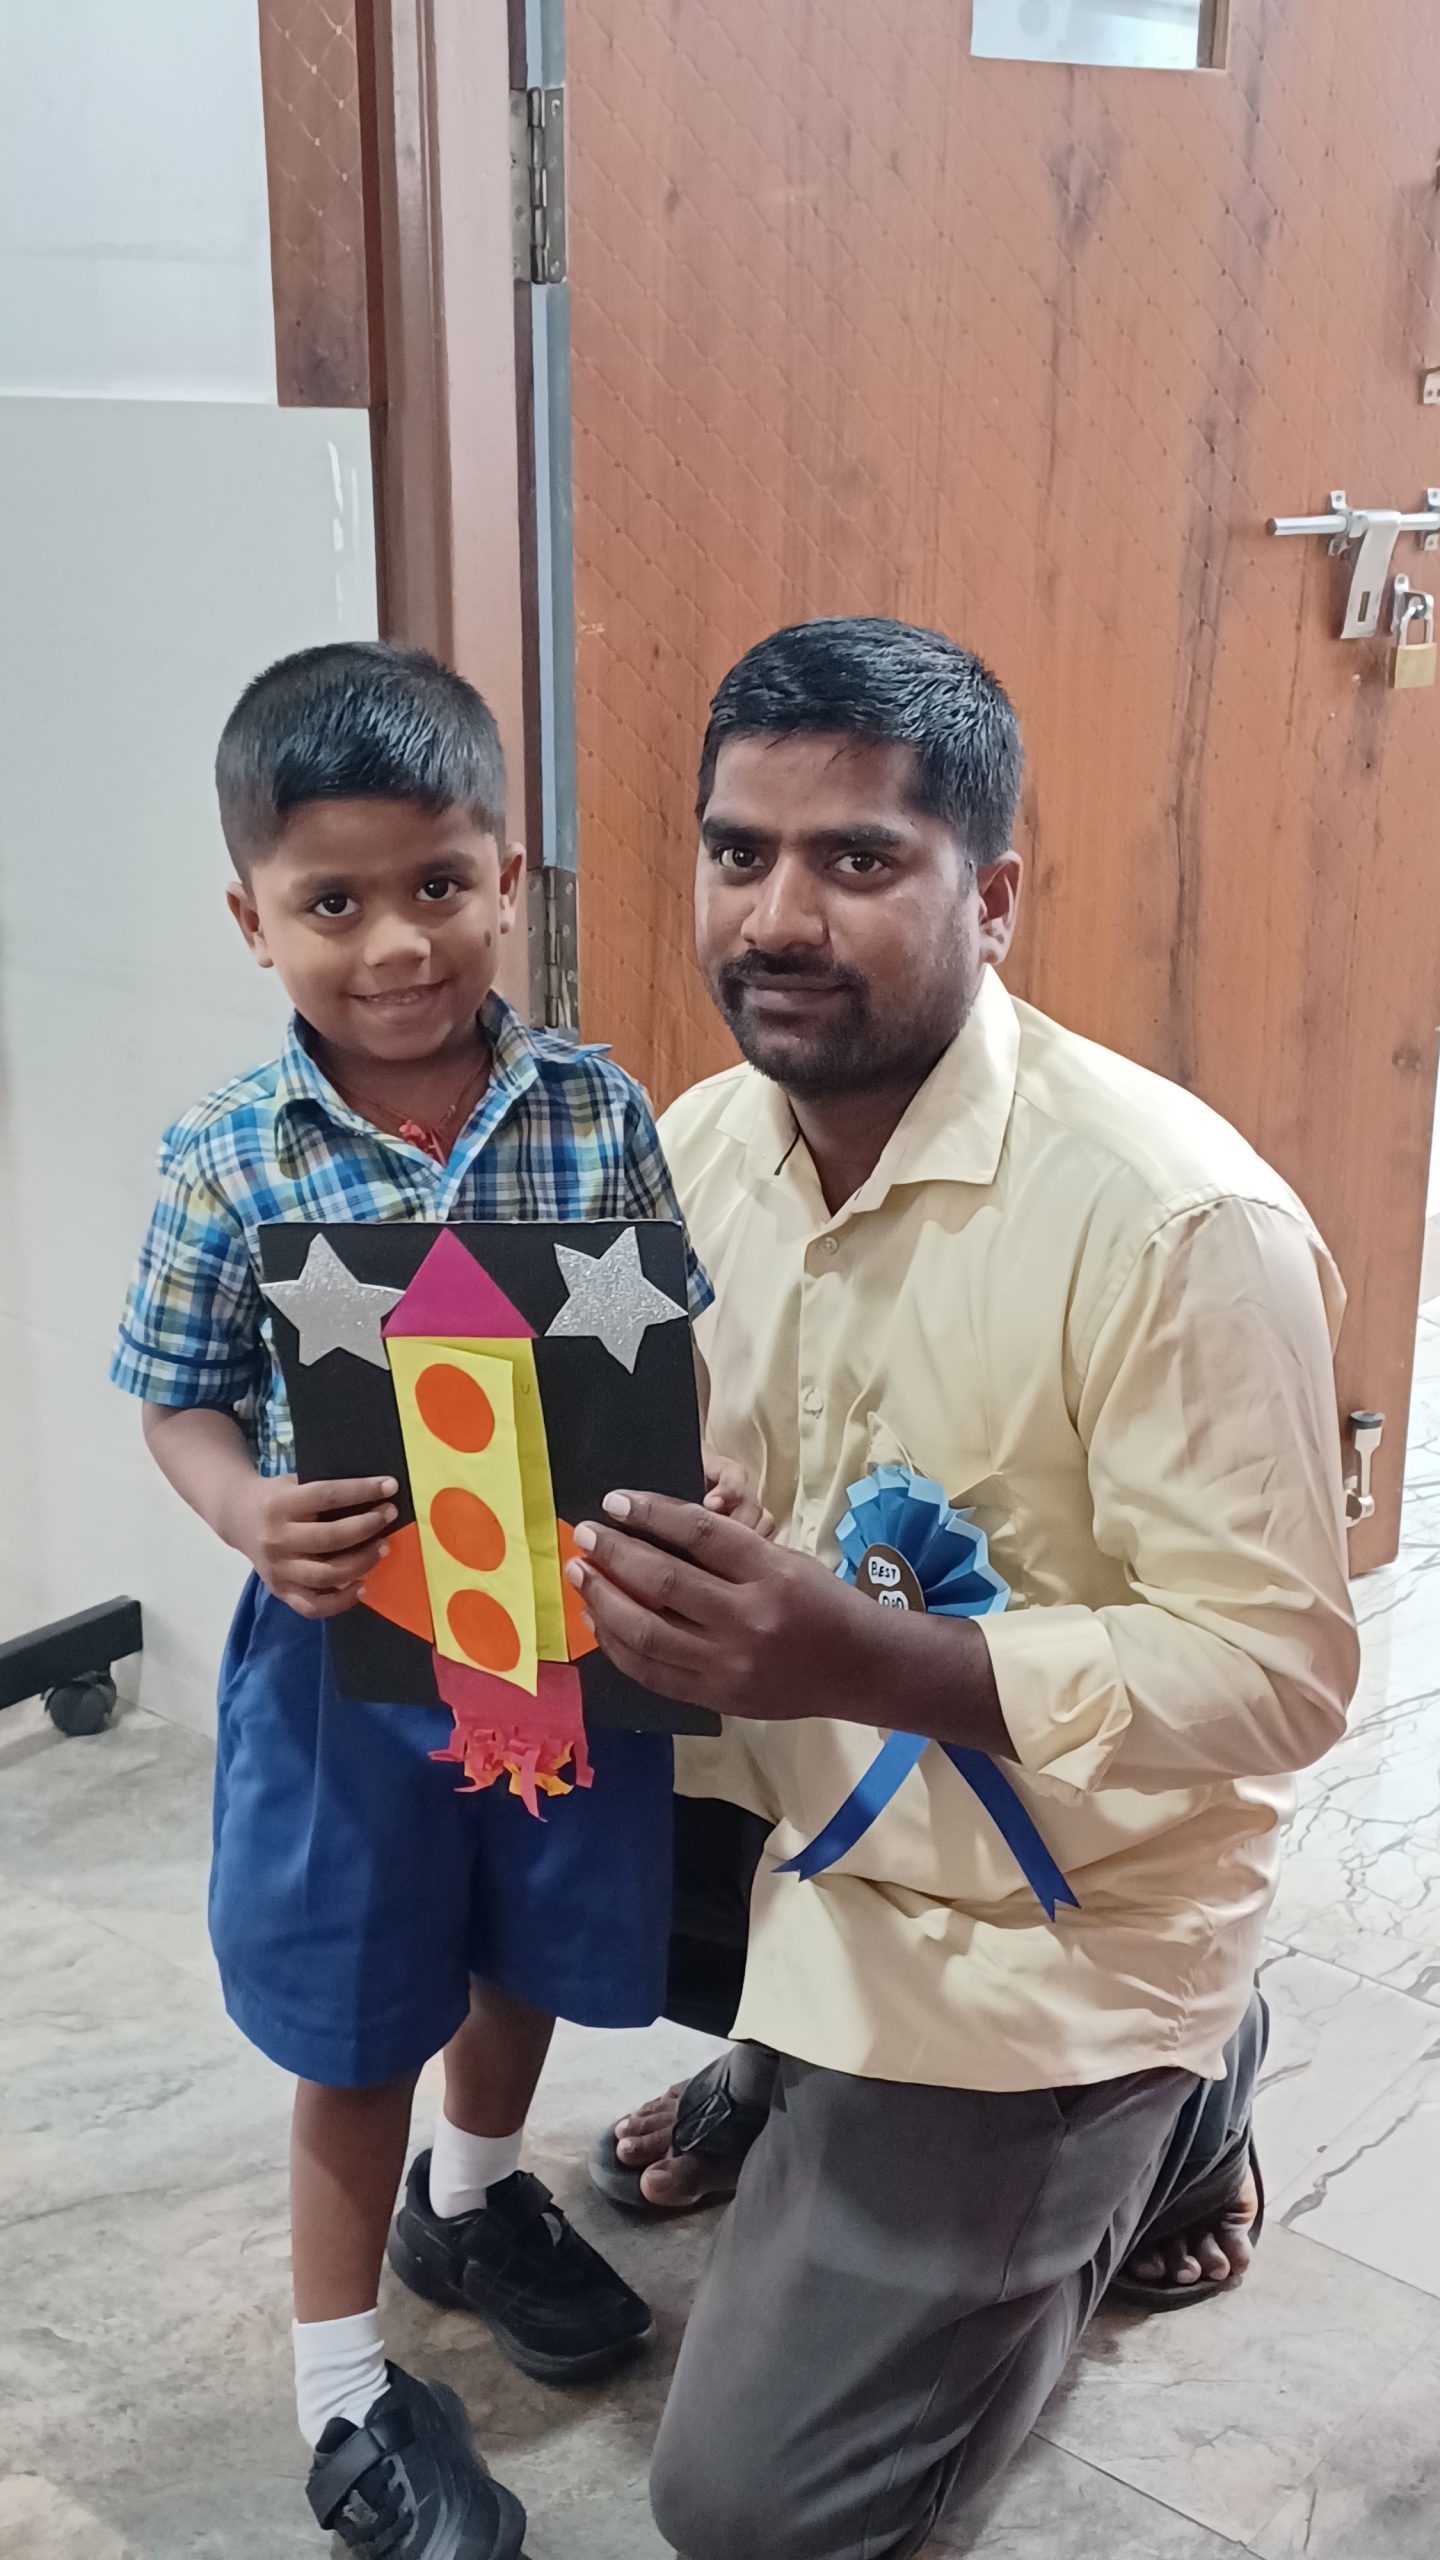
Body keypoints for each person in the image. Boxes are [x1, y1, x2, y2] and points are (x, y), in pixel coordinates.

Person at [565, 618, 1360, 2560]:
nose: (778, 916)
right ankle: (808, 2053)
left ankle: (1172, 2084)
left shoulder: (1175, 1221)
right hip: (796, 1815)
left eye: (859, 858)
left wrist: (871, 1652)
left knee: (757, 2510)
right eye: (740, 852)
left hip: (1043, 1910)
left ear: (991, 896)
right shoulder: (694, 1146)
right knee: (459, 1837)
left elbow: (1278, 1675)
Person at [110, 641, 741, 2560]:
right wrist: (245, 1511)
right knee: (358, 2004)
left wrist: (705, 1477)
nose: (395, 944)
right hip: (348, 1667)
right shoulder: (229, 1153)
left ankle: (468, 2203)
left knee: (530, 1938)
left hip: (559, 1629)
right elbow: (175, 1396)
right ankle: (339, 2394)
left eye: (439, 885)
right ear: (253, 918)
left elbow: (670, 1347)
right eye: (333, 903)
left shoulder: (595, 1107)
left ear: (507, 880)